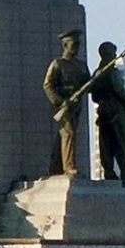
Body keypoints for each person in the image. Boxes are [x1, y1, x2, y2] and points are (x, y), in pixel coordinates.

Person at [89, 42, 125, 187]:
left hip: (102, 111)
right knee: (122, 142)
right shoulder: (111, 73)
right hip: (116, 110)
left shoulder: (96, 74)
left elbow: (93, 95)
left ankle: (109, 171)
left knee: (106, 143)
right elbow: (120, 91)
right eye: (113, 53)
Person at [43, 31, 91, 176]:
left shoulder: (81, 66)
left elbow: (88, 85)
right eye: (73, 44)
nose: (76, 47)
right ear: (65, 45)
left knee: (64, 135)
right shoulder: (58, 64)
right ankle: (69, 167)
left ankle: (54, 166)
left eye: (78, 44)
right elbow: (47, 85)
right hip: (62, 104)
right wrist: (60, 101)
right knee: (68, 133)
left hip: (76, 105)